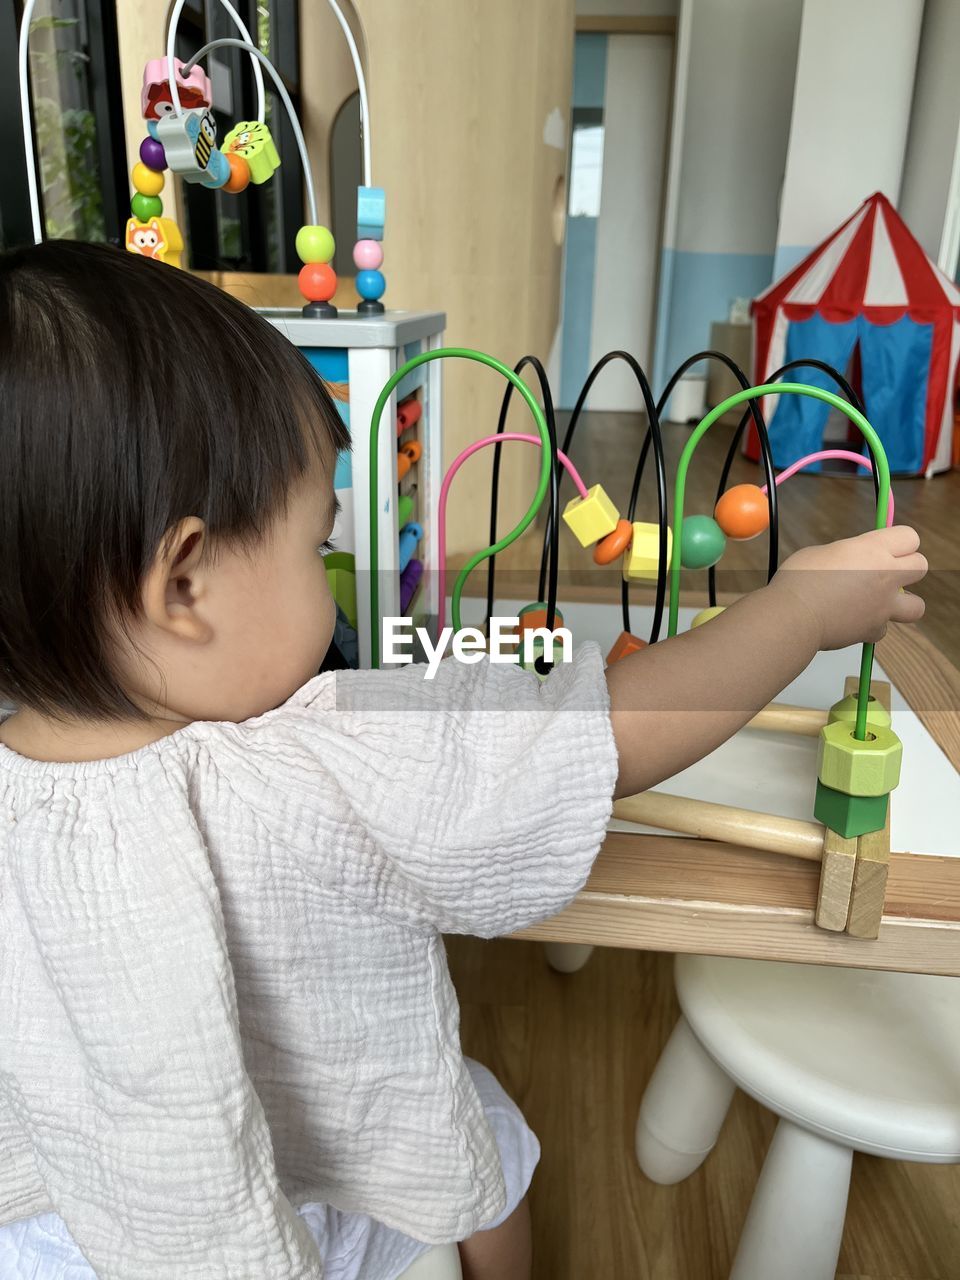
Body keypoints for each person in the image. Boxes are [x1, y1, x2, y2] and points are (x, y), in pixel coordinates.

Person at [0, 242, 926, 1280]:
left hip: (53, 1227)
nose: (333, 577)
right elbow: (603, 733)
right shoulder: (308, 766)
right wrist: (797, 611)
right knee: (483, 1140)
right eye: (317, 546)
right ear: (185, 586)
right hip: (321, 1210)